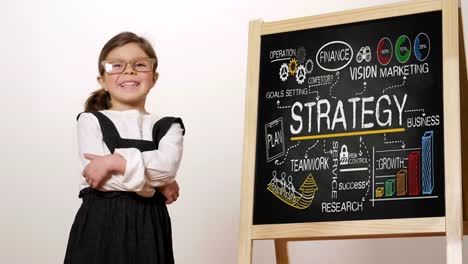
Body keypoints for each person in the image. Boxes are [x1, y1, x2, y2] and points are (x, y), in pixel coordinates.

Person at [64, 32, 185, 264]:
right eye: (116, 65)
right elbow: (100, 181)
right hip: (99, 224)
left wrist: (114, 162)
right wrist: (155, 184)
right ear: (102, 80)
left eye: (140, 65)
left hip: (149, 226)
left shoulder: (169, 126)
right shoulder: (90, 121)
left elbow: (167, 168)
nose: (128, 71)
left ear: (154, 77)